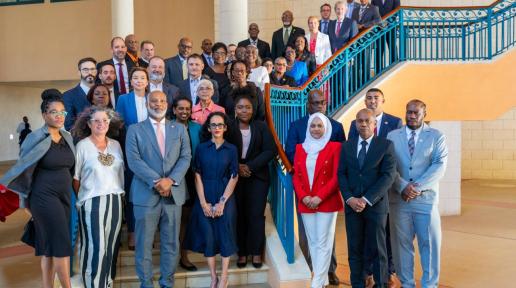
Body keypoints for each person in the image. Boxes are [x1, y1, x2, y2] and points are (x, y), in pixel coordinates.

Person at [1, 89, 75, 288]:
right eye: (53, 112)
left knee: (49, 247)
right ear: (44, 115)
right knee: (61, 245)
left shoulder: (68, 137)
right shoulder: (35, 137)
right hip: (43, 198)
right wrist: (25, 203)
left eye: (62, 112)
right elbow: (23, 170)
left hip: (65, 197)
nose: (59, 116)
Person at [125, 90, 191, 288]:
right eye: (153, 101)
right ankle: (146, 283)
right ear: (147, 104)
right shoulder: (134, 130)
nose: (158, 104)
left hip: (173, 194)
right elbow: (134, 161)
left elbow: (186, 157)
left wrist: (170, 180)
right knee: (144, 244)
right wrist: (158, 181)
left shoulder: (179, 129)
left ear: (167, 104)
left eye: (162, 100)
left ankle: (167, 283)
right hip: (145, 195)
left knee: (171, 243)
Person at [285, 89, 345, 285]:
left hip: (326, 193)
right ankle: (313, 270)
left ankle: (326, 273)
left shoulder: (335, 127)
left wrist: (320, 194)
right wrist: (304, 195)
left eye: (322, 103)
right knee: (310, 237)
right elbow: (292, 158)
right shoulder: (297, 129)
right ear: (308, 105)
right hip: (305, 192)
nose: (318, 106)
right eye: (314, 103)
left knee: (325, 239)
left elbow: (339, 164)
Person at [387, 100, 448, 288]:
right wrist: (403, 186)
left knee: (429, 245)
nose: (412, 116)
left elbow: (439, 165)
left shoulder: (436, 136)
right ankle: (407, 284)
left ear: (424, 114)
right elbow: (389, 166)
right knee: (401, 246)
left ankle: (430, 285)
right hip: (399, 200)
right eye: (409, 112)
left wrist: (416, 187)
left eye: (416, 113)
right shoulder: (392, 135)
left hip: (426, 200)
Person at [348, 88, 402, 288]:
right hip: (360, 192)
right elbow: (353, 155)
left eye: (376, 98)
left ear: (383, 101)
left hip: (384, 191)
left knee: (384, 236)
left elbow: (394, 160)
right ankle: (367, 272)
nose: (372, 101)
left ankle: (388, 272)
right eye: (368, 98)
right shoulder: (356, 124)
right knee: (362, 238)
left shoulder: (394, 123)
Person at [184, 112, 239, 288]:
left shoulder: (231, 149)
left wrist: (222, 202)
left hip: (225, 195)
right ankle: (213, 277)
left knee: (224, 234)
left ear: (225, 127)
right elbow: (197, 175)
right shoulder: (201, 148)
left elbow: (234, 176)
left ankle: (224, 277)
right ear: (208, 128)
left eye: (220, 125)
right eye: (213, 125)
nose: (216, 128)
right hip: (204, 194)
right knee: (208, 235)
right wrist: (203, 203)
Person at [72, 107, 124, 288]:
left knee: (110, 246)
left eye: (105, 120)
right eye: (96, 120)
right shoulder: (82, 146)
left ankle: (107, 282)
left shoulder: (116, 145)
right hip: (91, 201)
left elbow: (120, 176)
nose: (101, 124)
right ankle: (93, 284)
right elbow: (76, 179)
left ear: (110, 123)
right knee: (96, 247)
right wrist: (82, 200)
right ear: (88, 123)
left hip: (115, 200)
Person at [226, 87, 277, 269]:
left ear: (253, 109)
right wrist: (237, 167)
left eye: (247, 107)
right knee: (239, 216)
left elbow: (270, 150)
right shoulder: (229, 127)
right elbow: (223, 150)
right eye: (240, 107)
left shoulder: (261, 126)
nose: (244, 111)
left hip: (257, 178)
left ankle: (256, 252)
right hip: (235, 178)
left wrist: (250, 166)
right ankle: (242, 253)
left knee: (255, 215)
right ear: (235, 109)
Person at [115, 67, 149, 250]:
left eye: (142, 77)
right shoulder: (123, 99)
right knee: (132, 191)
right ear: (131, 81)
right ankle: (133, 233)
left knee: (149, 192)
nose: (138, 80)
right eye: (135, 77)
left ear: (147, 81)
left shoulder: (152, 97)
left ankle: (147, 232)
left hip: (151, 152)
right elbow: (119, 124)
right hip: (130, 150)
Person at [171, 96, 202, 272]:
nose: (184, 111)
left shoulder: (197, 128)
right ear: (174, 109)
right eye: (180, 108)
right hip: (173, 178)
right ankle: (171, 257)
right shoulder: (167, 128)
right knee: (171, 220)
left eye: (187, 108)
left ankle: (183, 255)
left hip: (191, 178)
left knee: (186, 219)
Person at [63, 57, 97, 130]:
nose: (90, 72)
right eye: (85, 70)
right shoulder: (68, 96)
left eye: (92, 69)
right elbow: (68, 125)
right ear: (79, 72)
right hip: (81, 139)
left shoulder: (104, 93)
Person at [352, 0, 382, 81]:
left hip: (367, 39)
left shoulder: (374, 8)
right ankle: (356, 84)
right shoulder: (355, 9)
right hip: (356, 40)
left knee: (366, 63)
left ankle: (366, 83)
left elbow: (378, 20)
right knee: (356, 63)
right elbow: (352, 22)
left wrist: (363, 25)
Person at [372, 0, 400, 72]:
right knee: (379, 50)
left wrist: (387, 22)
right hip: (379, 29)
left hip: (391, 27)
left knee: (392, 48)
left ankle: (395, 68)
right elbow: (373, 12)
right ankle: (378, 71)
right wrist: (381, 23)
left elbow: (396, 10)